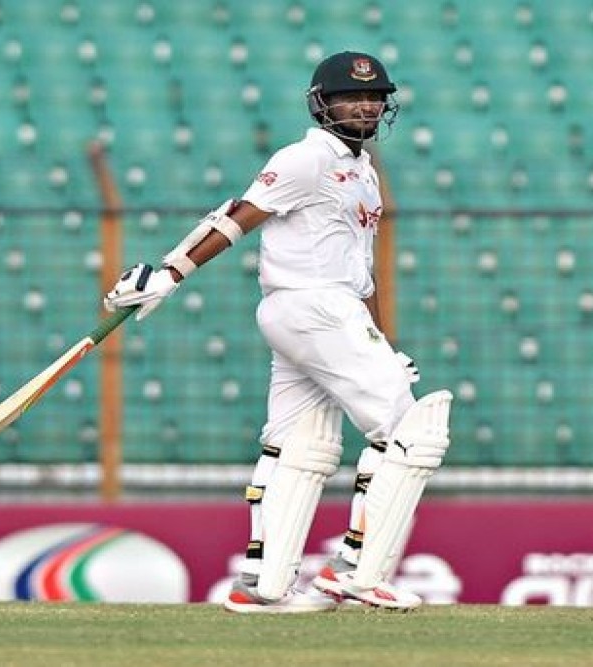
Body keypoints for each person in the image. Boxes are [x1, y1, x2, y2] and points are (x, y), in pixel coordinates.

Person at [104, 51, 453, 613]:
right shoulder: (304, 159)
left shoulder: (364, 173)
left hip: (323, 310)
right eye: (349, 96)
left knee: (299, 442)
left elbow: (361, 269)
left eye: (374, 97)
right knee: (411, 431)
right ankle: (360, 571)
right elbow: (239, 214)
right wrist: (170, 271)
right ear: (322, 104)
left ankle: (262, 586)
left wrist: (382, 340)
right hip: (313, 306)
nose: (365, 104)